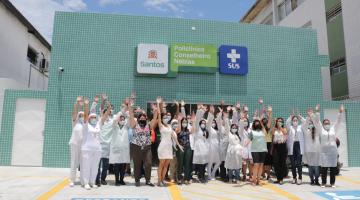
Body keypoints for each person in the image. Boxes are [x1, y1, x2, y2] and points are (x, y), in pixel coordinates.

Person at [312, 104, 345, 188]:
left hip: (333, 152)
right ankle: (323, 183)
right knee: (324, 169)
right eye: (325, 123)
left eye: (328, 123)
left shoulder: (333, 128)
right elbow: (317, 121)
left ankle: (332, 183)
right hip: (324, 153)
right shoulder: (321, 129)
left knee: (333, 168)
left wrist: (340, 112)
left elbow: (338, 121)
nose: (327, 124)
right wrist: (317, 112)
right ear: (323, 124)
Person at [128, 98, 157, 187]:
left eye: (144, 117)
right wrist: (131, 106)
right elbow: (131, 116)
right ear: (138, 118)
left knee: (148, 164)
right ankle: (137, 180)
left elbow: (155, 118)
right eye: (141, 117)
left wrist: (155, 110)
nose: (142, 118)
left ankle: (148, 180)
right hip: (136, 147)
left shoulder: (149, 125)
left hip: (147, 148)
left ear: (146, 118)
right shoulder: (134, 124)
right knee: (137, 164)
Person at [156, 97, 183, 187]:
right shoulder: (160, 126)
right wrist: (158, 104)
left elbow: (174, 136)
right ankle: (159, 181)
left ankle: (163, 180)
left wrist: (178, 145)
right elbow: (159, 114)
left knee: (166, 165)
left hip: (169, 147)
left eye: (166, 117)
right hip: (163, 146)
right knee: (161, 164)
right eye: (164, 117)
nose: (165, 118)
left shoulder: (169, 126)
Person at [81, 97, 106, 190]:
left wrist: (108, 107)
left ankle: (92, 182)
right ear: (89, 118)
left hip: (97, 149)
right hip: (87, 149)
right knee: (86, 166)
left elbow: (104, 117)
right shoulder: (86, 125)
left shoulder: (98, 125)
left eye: (95, 117)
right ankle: (86, 182)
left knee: (95, 167)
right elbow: (85, 116)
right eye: (92, 117)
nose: (94, 119)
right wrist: (86, 104)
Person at [109, 100, 131, 186]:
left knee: (123, 165)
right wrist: (121, 111)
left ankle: (122, 180)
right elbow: (115, 119)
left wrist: (128, 107)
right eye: (120, 119)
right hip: (116, 148)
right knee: (117, 165)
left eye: (123, 119)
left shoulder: (126, 126)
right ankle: (116, 181)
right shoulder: (114, 126)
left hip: (124, 149)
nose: (122, 120)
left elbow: (129, 117)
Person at [96, 98, 114, 186]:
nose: (107, 114)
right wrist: (105, 102)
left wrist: (109, 106)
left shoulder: (111, 122)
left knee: (106, 165)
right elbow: (103, 110)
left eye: (108, 114)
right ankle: (97, 179)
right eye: (105, 113)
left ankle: (103, 179)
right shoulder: (100, 121)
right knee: (98, 165)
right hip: (99, 145)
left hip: (108, 146)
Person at [246, 114, 268, 186]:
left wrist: (260, 120)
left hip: (263, 150)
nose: (257, 123)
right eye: (256, 122)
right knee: (256, 165)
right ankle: (254, 180)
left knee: (261, 165)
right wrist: (244, 145)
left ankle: (258, 180)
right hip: (255, 150)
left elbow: (265, 133)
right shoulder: (251, 132)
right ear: (254, 124)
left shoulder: (263, 131)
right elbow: (248, 140)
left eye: (258, 122)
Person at [69, 96, 85, 187]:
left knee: (83, 164)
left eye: (83, 116)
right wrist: (77, 103)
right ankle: (72, 180)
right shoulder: (75, 122)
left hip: (83, 146)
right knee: (74, 162)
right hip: (75, 144)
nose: (82, 117)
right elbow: (74, 113)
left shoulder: (86, 124)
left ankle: (83, 180)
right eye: (80, 115)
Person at [302, 108, 321, 186]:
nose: (311, 123)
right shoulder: (306, 130)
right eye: (310, 123)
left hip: (316, 150)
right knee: (310, 167)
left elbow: (318, 123)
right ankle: (312, 180)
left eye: (312, 122)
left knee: (317, 167)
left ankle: (316, 180)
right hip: (309, 151)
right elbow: (305, 125)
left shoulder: (317, 130)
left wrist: (313, 115)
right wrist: (309, 117)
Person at [192, 104, 210, 183]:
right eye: (202, 123)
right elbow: (197, 119)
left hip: (204, 148)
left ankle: (202, 175)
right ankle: (199, 175)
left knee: (203, 162)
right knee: (199, 162)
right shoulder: (197, 128)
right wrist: (199, 111)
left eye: (204, 123)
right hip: (198, 147)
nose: (203, 124)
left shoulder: (205, 131)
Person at [286, 112, 305, 185]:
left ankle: (300, 178)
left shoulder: (301, 127)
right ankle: (294, 177)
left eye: (296, 120)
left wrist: (300, 116)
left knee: (299, 163)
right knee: (293, 163)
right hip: (292, 145)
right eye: (294, 120)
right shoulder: (290, 127)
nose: (295, 121)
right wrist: (291, 116)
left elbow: (305, 122)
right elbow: (287, 123)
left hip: (299, 145)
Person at [225, 111, 243, 184]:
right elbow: (227, 126)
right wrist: (226, 118)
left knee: (237, 166)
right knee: (230, 166)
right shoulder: (229, 134)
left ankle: (237, 178)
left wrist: (241, 119)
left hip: (238, 152)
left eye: (235, 128)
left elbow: (241, 127)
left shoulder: (238, 135)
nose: (234, 129)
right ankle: (230, 178)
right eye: (233, 127)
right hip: (231, 151)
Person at [206, 105, 221, 181]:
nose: (213, 123)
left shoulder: (217, 130)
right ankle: (209, 174)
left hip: (217, 146)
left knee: (218, 161)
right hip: (211, 145)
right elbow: (208, 122)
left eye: (214, 122)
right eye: (213, 122)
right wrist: (211, 113)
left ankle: (213, 173)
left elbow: (219, 121)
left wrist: (220, 114)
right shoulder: (209, 128)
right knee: (210, 161)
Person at [272, 117, 288, 185]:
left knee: (282, 163)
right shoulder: (274, 129)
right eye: (278, 121)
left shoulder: (284, 129)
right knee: (276, 163)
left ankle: (281, 179)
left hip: (282, 146)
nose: (279, 122)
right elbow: (272, 137)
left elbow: (285, 133)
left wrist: (280, 127)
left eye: (281, 121)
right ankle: (278, 178)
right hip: (276, 146)